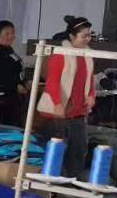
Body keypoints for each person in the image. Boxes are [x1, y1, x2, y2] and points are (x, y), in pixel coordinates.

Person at [37, 15, 97, 177]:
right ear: (72, 36)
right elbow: (52, 82)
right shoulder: (60, 54)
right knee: (58, 152)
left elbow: (90, 80)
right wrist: (57, 104)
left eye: (89, 35)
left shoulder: (88, 55)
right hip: (58, 113)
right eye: (84, 36)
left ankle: (73, 182)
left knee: (78, 150)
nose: (88, 39)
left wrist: (91, 96)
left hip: (78, 113)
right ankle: (52, 183)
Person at [0, 20, 25, 125]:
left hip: (11, 96)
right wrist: (16, 85)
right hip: (0, 97)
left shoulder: (8, 49)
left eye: (13, 33)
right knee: (4, 125)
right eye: (7, 33)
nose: (11, 36)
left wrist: (23, 82)